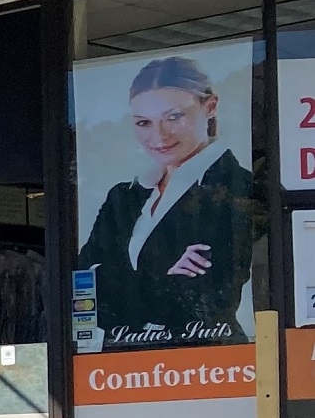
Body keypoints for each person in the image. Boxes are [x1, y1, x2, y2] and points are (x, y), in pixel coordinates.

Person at [75, 55, 254, 348]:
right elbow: (87, 293)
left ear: (210, 107)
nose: (159, 135)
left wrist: (122, 284)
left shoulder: (238, 190)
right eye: (144, 122)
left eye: (174, 116)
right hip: (122, 371)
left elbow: (206, 302)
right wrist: (163, 278)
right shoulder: (123, 197)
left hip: (205, 368)